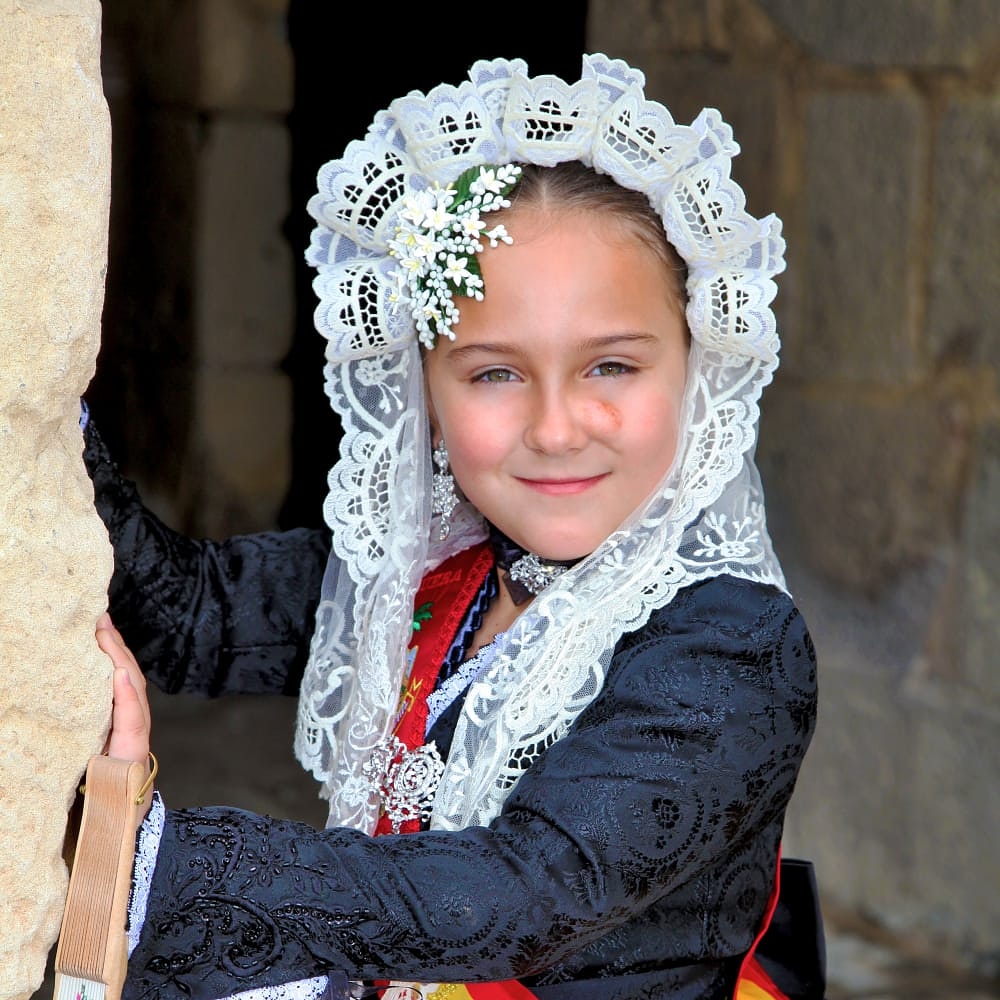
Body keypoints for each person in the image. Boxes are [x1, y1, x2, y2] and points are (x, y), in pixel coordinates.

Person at [87, 53, 823, 1000]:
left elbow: (514, 897)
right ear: (423, 395)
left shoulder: (730, 649)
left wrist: (169, 866)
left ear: (697, 367)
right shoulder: (436, 572)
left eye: (611, 367)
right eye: (494, 374)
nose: (557, 429)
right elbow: (184, 615)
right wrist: (39, 416)